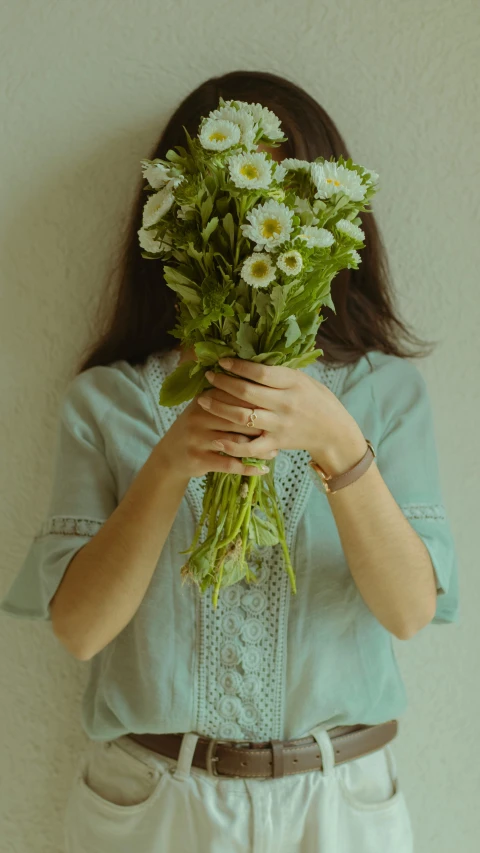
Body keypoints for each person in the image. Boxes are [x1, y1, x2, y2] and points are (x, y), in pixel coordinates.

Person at [0, 70, 459, 853]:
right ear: (182, 215)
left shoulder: (385, 395)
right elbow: (78, 629)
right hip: (152, 804)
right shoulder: (109, 399)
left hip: (338, 806)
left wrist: (338, 443)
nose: (257, 220)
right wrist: (171, 459)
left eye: (283, 190)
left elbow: (411, 611)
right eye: (233, 193)